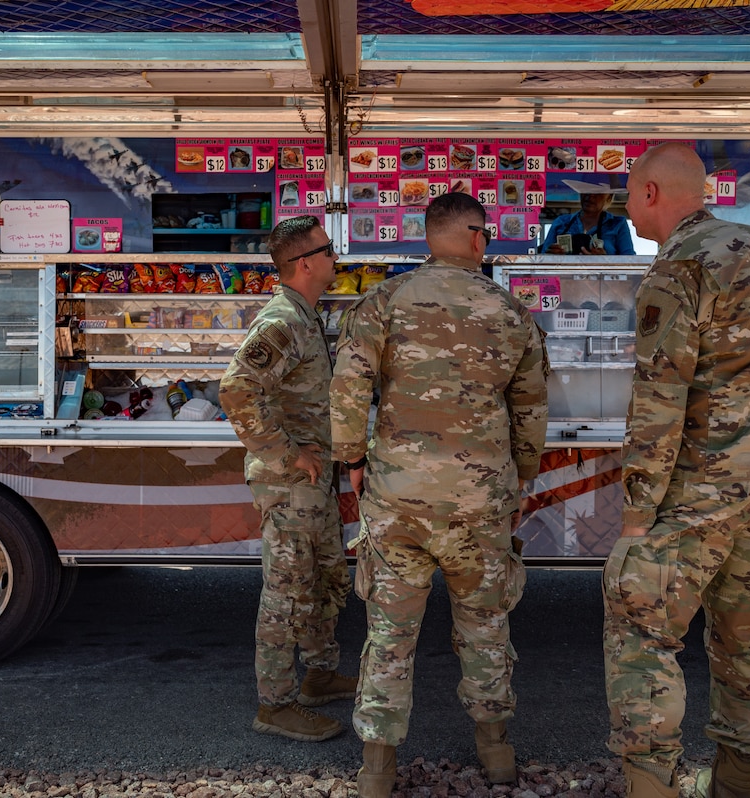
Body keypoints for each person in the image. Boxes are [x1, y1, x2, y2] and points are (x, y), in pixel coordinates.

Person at [604, 141, 750, 798]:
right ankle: (736, 785)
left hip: (703, 488)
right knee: (746, 644)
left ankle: (652, 787)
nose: (627, 211)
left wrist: (637, 518)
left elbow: (660, 397)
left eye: (630, 195)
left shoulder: (679, 268)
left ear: (651, 194)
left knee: (640, 624)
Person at [329, 192, 549, 798]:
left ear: (430, 237)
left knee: (390, 631)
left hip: (398, 499)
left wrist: (352, 459)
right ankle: (496, 751)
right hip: (480, 505)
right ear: (478, 238)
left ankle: (377, 768)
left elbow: (349, 386)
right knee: (485, 626)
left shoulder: (384, 302)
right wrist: (522, 474)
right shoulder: (510, 313)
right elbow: (530, 407)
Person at [218, 215, 357, 743]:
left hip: (313, 480)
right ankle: (275, 704)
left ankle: (319, 674)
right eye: (327, 252)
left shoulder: (305, 317)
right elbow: (236, 390)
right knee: (287, 590)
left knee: (323, 578)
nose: (333, 261)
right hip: (290, 484)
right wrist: (287, 452)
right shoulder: (282, 322)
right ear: (305, 263)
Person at [541, 189, 635, 255]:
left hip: (604, 283)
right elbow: (542, 260)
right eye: (586, 190)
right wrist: (551, 255)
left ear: (609, 196)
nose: (590, 195)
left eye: (598, 191)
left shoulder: (617, 224)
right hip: (566, 282)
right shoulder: (561, 222)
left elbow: (630, 264)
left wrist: (605, 261)